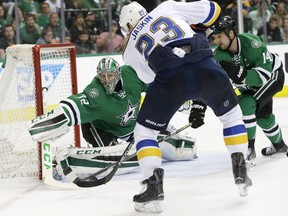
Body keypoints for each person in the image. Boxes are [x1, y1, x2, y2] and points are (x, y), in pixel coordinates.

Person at [119, 1, 252, 213]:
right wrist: (194, 28)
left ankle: (152, 187)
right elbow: (214, 10)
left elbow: (149, 76)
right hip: (204, 63)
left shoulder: (128, 51)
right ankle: (240, 166)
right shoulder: (167, 7)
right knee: (232, 116)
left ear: (127, 25)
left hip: (170, 77)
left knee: (145, 132)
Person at [28, 57, 197, 179]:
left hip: (131, 126)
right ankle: (68, 159)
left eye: (110, 75)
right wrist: (45, 124)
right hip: (101, 129)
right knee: (114, 164)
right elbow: (72, 107)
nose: (106, 80)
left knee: (182, 148)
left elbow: (158, 88)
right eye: (103, 76)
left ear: (118, 73)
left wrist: (184, 102)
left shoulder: (131, 74)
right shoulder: (95, 93)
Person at [212, 15, 287, 166]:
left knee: (246, 104)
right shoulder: (220, 54)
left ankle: (249, 148)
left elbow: (263, 76)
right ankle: (280, 146)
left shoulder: (252, 44)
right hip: (252, 86)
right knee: (262, 116)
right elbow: (220, 80)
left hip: (273, 76)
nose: (218, 40)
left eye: (220, 36)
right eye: (216, 37)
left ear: (231, 33)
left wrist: (241, 75)